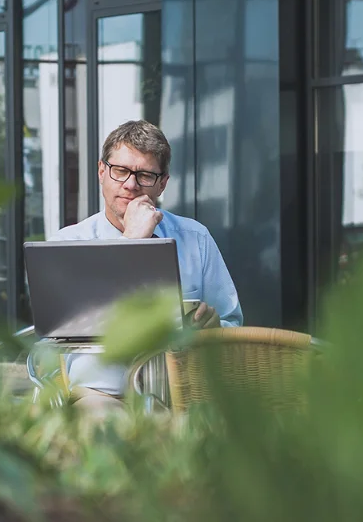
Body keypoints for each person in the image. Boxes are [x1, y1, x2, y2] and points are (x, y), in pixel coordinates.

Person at [47, 120, 243, 416]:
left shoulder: (196, 238)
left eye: (145, 175)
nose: (130, 184)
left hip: (185, 398)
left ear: (163, 183)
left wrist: (214, 328)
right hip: (102, 396)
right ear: (102, 172)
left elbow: (232, 325)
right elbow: (60, 336)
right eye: (121, 171)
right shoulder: (68, 243)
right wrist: (132, 241)